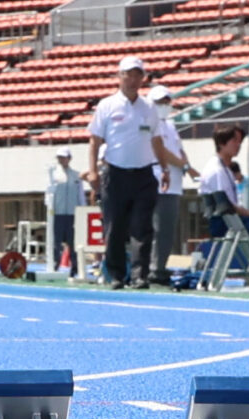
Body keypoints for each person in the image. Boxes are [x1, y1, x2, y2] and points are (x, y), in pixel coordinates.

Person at [85, 54, 167, 287]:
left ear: (143, 78)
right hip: (116, 173)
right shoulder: (107, 105)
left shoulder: (149, 108)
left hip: (143, 173)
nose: (132, 80)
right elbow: (95, 141)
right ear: (119, 77)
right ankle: (117, 275)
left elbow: (157, 139)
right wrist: (92, 171)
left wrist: (164, 168)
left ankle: (140, 275)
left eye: (136, 75)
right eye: (127, 75)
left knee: (143, 228)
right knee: (115, 228)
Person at [196, 124, 249, 285]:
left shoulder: (224, 168)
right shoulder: (217, 170)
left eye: (240, 141)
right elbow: (227, 205)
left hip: (231, 221)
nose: (238, 145)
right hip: (227, 224)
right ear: (222, 143)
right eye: (235, 141)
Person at [148, 88, 189, 272]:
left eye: (166, 102)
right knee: (157, 229)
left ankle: (160, 266)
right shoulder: (149, 123)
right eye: (159, 102)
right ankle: (153, 268)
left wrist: (187, 165)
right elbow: (161, 150)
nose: (164, 106)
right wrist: (181, 163)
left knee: (167, 231)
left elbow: (180, 150)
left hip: (174, 185)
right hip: (158, 182)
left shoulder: (170, 126)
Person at [45, 148, 83, 273]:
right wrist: (49, 208)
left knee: (73, 242)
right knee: (56, 241)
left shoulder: (76, 175)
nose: (61, 160)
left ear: (69, 158)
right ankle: (55, 265)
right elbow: (48, 192)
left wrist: (82, 209)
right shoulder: (53, 174)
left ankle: (75, 266)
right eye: (59, 157)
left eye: (64, 157)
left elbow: (80, 194)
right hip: (58, 213)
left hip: (72, 213)